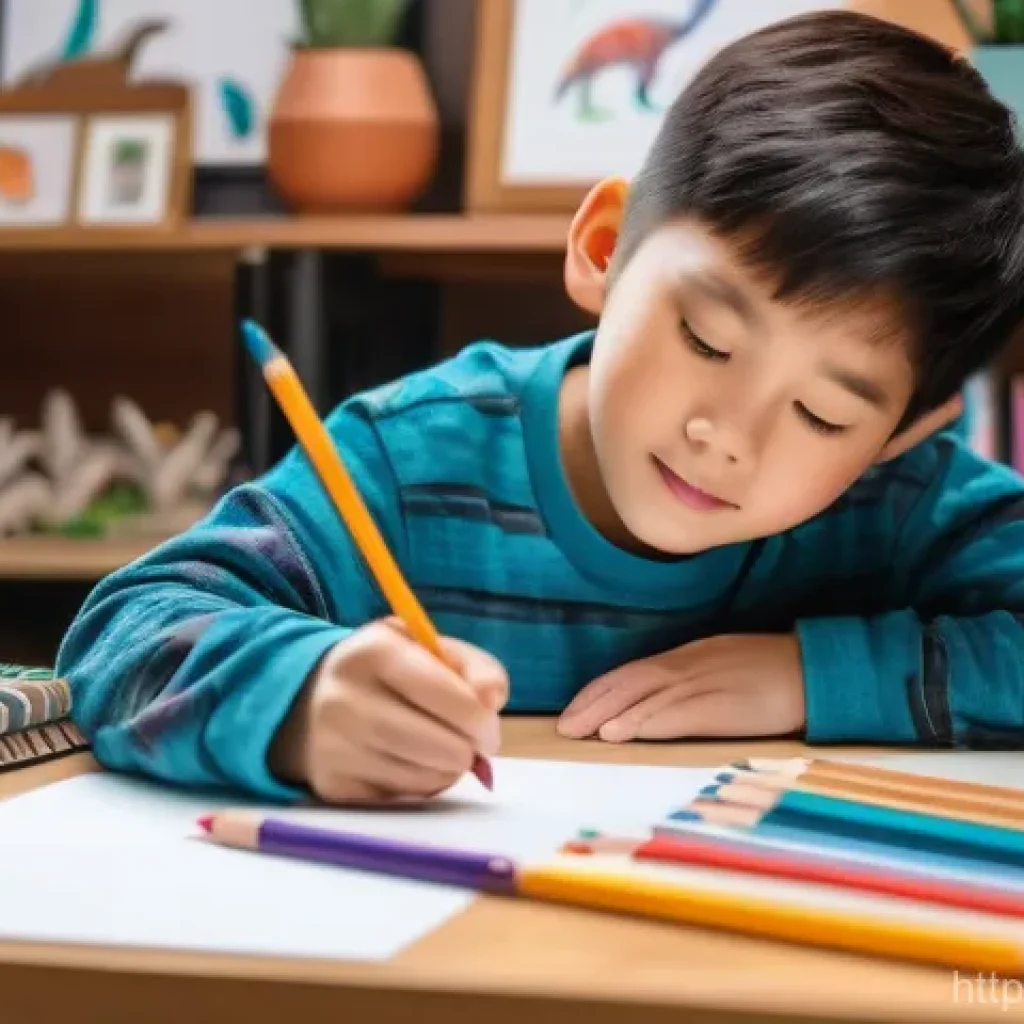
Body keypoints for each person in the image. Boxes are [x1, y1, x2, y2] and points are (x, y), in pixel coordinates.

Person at [57, 11, 1024, 804]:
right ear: (606, 248)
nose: (727, 438)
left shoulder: (900, 498)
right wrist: (303, 701)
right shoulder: (407, 460)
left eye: (821, 414)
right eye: (707, 341)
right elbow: (125, 632)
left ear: (906, 432)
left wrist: (813, 677)